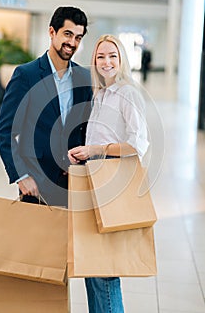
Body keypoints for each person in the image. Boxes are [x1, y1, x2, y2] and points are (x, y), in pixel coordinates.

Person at [68, 34, 149, 312]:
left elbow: (138, 145)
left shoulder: (127, 93)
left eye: (112, 56)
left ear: (121, 59)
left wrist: (95, 150)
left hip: (111, 186)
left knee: (104, 269)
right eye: (100, 56)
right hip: (94, 181)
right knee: (92, 262)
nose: (106, 62)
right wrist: (84, 152)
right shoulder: (100, 93)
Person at [0, 6, 92, 207]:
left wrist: (82, 165)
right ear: (51, 32)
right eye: (67, 34)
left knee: (68, 239)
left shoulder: (84, 78)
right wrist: (21, 176)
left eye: (78, 37)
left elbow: (86, 129)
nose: (72, 43)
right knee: (34, 238)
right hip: (35, 182)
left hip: (73, 181)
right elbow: (5, 132)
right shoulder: (26, 75)